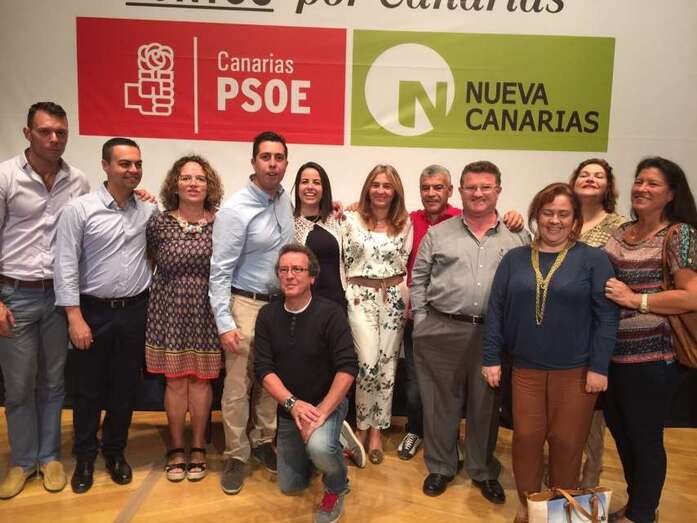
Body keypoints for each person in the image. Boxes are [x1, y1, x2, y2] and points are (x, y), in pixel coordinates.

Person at [483, 182, 619, 523]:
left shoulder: (593, 260)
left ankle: (561, 512)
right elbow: (495, 310)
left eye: (563, 214)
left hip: (576, 372)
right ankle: (530, 508)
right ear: (536, 215)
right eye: (548, 213)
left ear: (574, 220)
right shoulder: (514, 259)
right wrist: (491, 357)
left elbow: (606, 316)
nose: (555, 221)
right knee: (526, 440)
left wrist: (599, 366)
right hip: (525, 369)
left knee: (567, 443)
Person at [411, 160, 528, 502]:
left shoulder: (517, 236)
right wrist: (422, 321)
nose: (478, 193)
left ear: (498, 191)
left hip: (492, 335)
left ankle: (481, 469)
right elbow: (419, 279)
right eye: (471, 187)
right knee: (439, 404)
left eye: (485, 187)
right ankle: (441, 466)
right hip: (440, 329)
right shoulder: (438, 233)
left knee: (485, 406)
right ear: (460, 191)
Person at [54, 137, 157, 494]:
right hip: (92, 312)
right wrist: (74, 316)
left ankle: (115, 452)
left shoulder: (148, 210)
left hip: (135, 311)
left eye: (137, 164)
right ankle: (84, 456)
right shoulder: (79, 210)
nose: (133, 170)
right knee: (87, 390)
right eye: (125, 163)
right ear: (105, 166)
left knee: (124, 388)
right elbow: (65, 265)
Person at [0, 102, 89, 499]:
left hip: (59, 295)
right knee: (19, 384)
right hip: (14, 293)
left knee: (54, 381)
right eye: (45, 131)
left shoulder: (78, 181)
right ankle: (22, 461)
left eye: (61, 132)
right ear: (28, 133)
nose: (54, 139)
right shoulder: (6, 177)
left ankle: (49, 456)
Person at [603, 157, 697, 523]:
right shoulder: (621, 232)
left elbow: (690, 296)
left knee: (644, 437)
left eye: (653, 183)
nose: (641, 188)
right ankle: (638, 505)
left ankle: (641, 514)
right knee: (622, 434)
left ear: (671, 194)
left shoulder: (678, 234)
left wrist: (635, 300)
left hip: (654, 358)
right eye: (639, 181)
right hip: (611, 354)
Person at [209, 131, 294, 494]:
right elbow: (219, 271)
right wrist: (224, 322)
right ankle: (236, 454)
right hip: (244, 304)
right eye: (265, 157)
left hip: (279, 306)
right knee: (237, 386)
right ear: (253, 162)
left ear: (286, 163)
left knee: (270, 382)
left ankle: (263, 441)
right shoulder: (235, 209)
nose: (273, 164)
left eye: (279, 158)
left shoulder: (284, 200)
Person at [254, 243, 358, 523]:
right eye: (284, 270)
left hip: (327, 404)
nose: (289, 275)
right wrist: (293, 405)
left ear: (312, 276)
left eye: (298, 269)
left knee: (320, 449)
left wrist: (321, 413)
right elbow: (263, 369)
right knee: (291, 485)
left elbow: (348, 367)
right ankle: (335, 445)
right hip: (290, 410)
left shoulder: (331, 313)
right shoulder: (267, 316)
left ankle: (336, 485)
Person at [145, 155, 224, 482]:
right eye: (186, 178)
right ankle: (176, 447)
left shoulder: (222, 223)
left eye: (200, 178)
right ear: (174, 185)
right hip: (169, 311)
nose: (193, 183)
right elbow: (151, 259)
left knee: (201, 381)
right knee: (175, 381)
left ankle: (198, 446)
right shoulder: (159, 223)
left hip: (207, 311)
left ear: (209, 186)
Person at [342, 164, 411, 465]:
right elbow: (343, 261)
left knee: (388, 367)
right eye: (376, 184)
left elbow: (405, 262)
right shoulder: (349, 219)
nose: (381, 190)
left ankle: (377, 431)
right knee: (367, 364)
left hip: (394, 298)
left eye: (387, 185)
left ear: (395, 191)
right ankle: (361, 424)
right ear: (368, 188)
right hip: (361, 297)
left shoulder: (405, 223)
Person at [570, 158, 627, 488]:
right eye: (584, 174)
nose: (590, 179)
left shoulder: (621, 227)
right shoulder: (562, 219)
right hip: (560, 328)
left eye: (598, 175)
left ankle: (589, 480)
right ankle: (563, 473)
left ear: (608, 186)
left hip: (596, 328)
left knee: (592, 410)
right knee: (563, 410)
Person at [292, 161, 346, 309]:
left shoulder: (337, 220)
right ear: (297, 188)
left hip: (337, 303)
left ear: (324, 189)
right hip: (304, 305)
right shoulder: (289, 225)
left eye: (316, 182)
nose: (310, 187)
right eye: (304, 182)